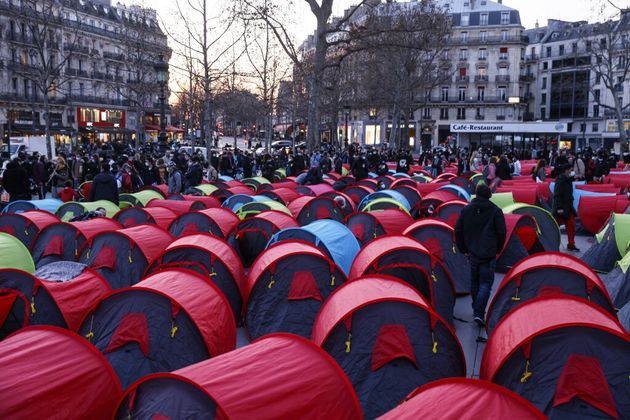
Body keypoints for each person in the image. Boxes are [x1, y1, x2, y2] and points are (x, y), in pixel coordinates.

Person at [455, 183, 506, 325]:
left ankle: (476, 309)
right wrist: (498, 248)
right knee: (485, 283)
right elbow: (501, 232)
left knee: (475, 281)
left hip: (472, 251)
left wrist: (463, 248)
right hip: (488, 252)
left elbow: (458, 230)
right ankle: (479, 311)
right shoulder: (496, 211)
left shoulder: (466, 210)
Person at [553, 164, 579, 252]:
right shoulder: (560, 181)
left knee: (571, 226)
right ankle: (552, 244)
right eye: (570, 170)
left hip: (568, 208)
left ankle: (571, 244)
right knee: (555, 227)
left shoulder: (567, 180)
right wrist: (559, 208)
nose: (571, 172)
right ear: (565, 170)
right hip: (561, 209)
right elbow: (557, 195)